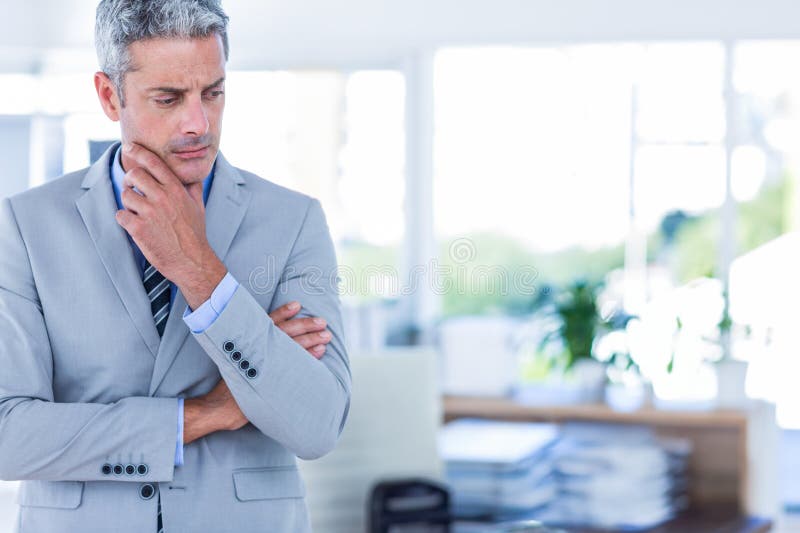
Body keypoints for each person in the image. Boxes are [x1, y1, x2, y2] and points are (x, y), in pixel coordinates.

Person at [0, 1, 351, 531]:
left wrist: (201, 272)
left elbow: (319, 424)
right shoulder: (25, 225)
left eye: (213, 92)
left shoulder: (294, 220)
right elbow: (8, 435)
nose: (198, 123)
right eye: (168, 98)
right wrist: (206, 414)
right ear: (108, 95)